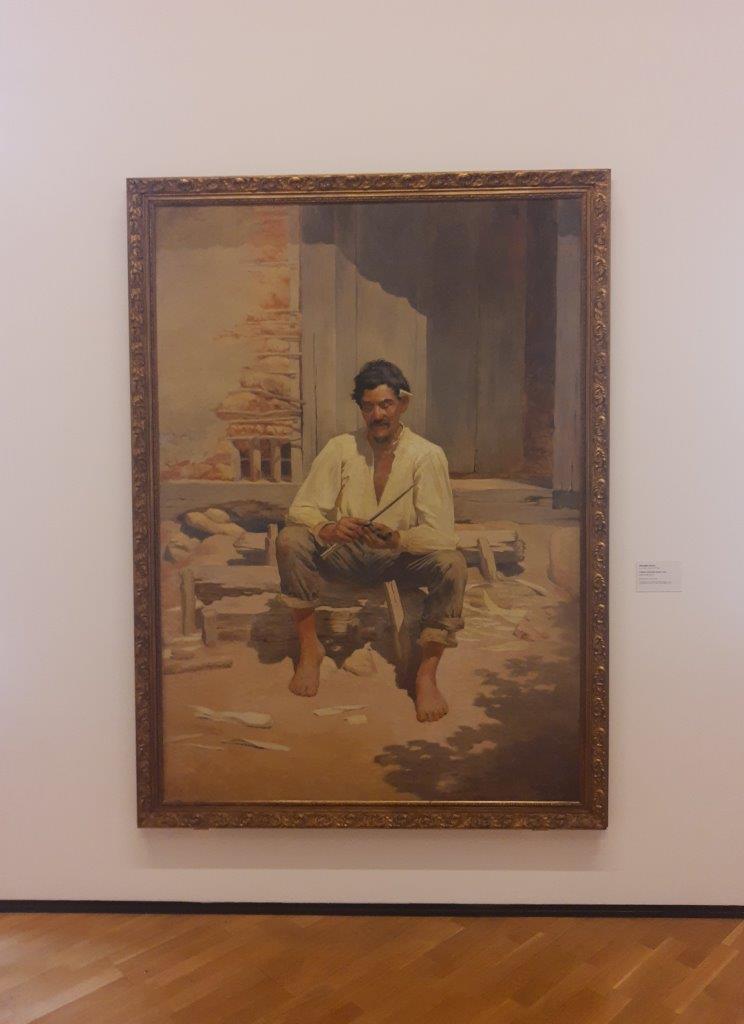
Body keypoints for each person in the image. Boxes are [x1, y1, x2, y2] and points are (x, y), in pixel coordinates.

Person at [276, 359, 467, 722]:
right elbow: (299, 509)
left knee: (453, 564)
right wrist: (327, 528)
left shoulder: (427, 455)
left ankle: (426, 675)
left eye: (386, 405)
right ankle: (310, 650)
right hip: (345, 556)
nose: (377, 415)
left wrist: (398, 539)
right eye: (368, 407)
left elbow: (443, 534)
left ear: (403, 403)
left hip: (398, 561)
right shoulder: (340, 448)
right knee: (290, 540)